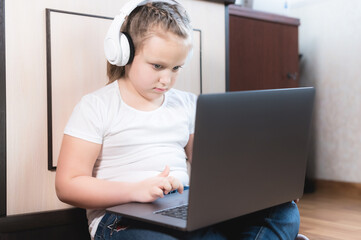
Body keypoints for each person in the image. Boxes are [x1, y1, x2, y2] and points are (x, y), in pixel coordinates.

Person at [55, 0, 300, 239]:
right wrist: (135, 190)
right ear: (124, 52)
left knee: (283, 211)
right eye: (157, 66)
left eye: (176, 68)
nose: (166, 80)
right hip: (120, 217)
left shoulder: (186, 104)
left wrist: (266, 191)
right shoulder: (96, 106)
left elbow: (214, 171)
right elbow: (68, 185)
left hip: (185, 209)